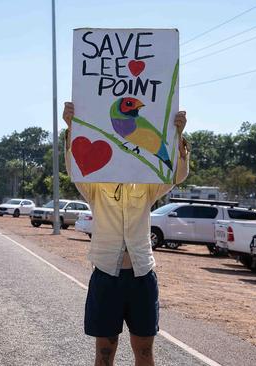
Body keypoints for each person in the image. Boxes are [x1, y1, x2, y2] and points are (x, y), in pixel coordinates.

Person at [62, 102, 190, 366]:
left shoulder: (146, 186)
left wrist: (177, 137)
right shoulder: (95, 186)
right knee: (104, 352)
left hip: (142, 276)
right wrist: (72, 127)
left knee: (144, 352)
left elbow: (176, 175)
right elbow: (74, 166)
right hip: (106, 275)